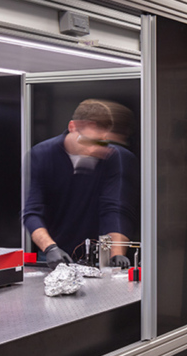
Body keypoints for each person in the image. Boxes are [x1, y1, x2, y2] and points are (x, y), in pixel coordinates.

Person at [22, 98, 136, 269]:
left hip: (99, 255)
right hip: (54, 252)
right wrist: (50, 248)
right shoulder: (42, 154)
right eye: (88, 141)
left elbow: (115, 209)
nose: (94, 149)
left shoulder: (113, 157)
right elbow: (32, 211)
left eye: (101, 141)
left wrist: (116, 254)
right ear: (72, 127)